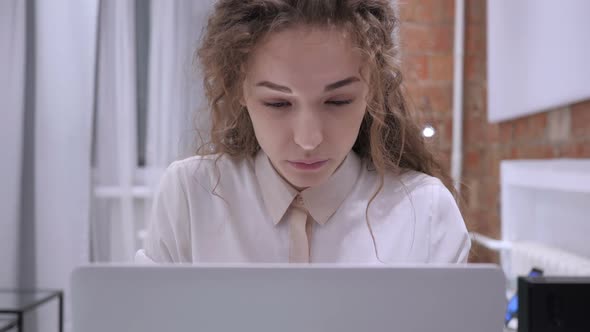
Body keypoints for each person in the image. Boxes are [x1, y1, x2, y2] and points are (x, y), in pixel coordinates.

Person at [137, 0, 471, 264]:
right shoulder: (191, 197)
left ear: (372, 88)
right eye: (278, 104)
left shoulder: (425, 212)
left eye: (338, 101)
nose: (308, 140)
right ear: (239, 88)